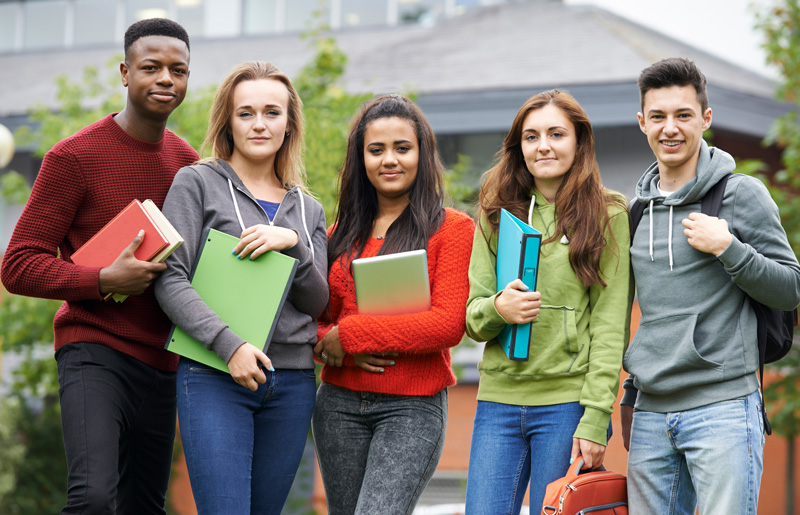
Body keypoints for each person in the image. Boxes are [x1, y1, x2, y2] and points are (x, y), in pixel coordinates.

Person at [0, 18, 196, 514]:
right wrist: (104, 279)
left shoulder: (189, 165)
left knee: (144, 506)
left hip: (166, 362)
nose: (166, 79)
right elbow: (19, 264)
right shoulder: (73, 157)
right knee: (92, 498)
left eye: (179, 70)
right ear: (125, 73)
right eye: (151, 67)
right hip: (94, 349)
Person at [620, 57, 800, 515]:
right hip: (649, 415)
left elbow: (790, 288)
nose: (670, 128)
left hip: (723, 408)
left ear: (706, 118)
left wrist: (730, 249)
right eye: (658, 117)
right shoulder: (634, 214)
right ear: (642, 123)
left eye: (683, 115)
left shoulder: (742, 194)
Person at [153, 61, 328, 514]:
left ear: (289, 124)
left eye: (272, 112)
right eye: (245, 113)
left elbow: (317, 302)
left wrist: (294, 246)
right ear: (228, 121)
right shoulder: (198, 182)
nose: (259, 124)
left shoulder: (308, 210)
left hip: (291, 383)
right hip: (213, 374)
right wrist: (230, 347)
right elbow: (170, 280)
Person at [463, 89, 631, 514]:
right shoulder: (496, 210)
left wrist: (596, 415)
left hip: (565, 406)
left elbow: (610, 326)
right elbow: (473, 319)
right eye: (531, 136)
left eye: (556, 134)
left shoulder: (608, 213)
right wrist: (498, 310)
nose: (544, 146)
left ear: (579, 141)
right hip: (497, 402)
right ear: (518, 146)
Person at [311, 94, 475, 515]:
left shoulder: (452, 229)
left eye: (402, 148)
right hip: (338, 405)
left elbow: (446, 325)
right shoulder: (336, 234)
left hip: (412, 407)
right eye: (376, 149)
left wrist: (350, 335)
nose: (390, 160)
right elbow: (312, 322)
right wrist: (333, 343)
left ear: (422, 153)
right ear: (360, 158)